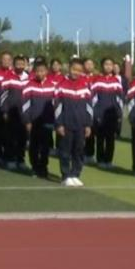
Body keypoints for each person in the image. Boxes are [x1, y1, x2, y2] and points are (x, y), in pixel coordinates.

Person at [54, 58, 93, 187]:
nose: (76, 72)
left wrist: (88, 124)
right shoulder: (61, 85)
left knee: (79, 150)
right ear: (69, 68)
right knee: (65, 151)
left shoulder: (85, 85)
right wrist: (59, 124)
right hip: (66, 125)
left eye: (79, 70)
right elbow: (57, 107)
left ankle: (75, 174)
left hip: (81, 125)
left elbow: (89, 106)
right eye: (74, 69)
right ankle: (65, 175)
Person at [22, 59, 56, 178]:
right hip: (34, 122)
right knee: (34, 146)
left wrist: (55, 121)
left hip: (47, 122)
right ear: (34, 72)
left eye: (42, 71)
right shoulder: (29, 85)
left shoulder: (52, 86)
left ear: (46, 71)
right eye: (37, 71)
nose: (40, 73)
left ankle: (43, 167)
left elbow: (55, 104)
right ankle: (35, 168)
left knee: (45, 147)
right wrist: (27, 120)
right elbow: (25, 105)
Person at [91, 57, 124, 169]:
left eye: (110, 64)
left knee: (110, 139)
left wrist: (119, 114)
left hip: (112, 116)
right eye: (106, 64)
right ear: (102, 66)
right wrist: (96, 114)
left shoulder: (116, 81)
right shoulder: (97, 80)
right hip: (100, 116)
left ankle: (108, 161)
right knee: (100, 139)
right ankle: (100, 160)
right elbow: (93, 99)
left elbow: (119, 100)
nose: (108, 66)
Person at [1, 54, 29, 171]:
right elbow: (3, 95)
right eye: (17, 63)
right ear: (14, 64)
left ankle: (20, 159)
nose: (20, 65)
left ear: (25, 64)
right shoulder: (8, 76)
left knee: (22, 138)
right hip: (11, 113)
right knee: (10, 137)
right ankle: (10, 159)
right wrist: (4, 110)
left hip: (24, 114)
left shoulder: (29, 77)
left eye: (22, 63)